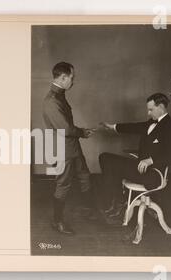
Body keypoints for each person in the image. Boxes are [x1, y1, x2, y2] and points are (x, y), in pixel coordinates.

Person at [99, 92, 171, 216]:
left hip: (154, 174)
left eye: (151, 110)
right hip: (141, 168)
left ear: (161, 107)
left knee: (112, 167)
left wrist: (151, 160)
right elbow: (134, 127)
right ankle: (119, 201)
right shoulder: (151, 123)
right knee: (105, 158)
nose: (148, 113)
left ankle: (118, 203)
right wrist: (113, 127)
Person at [42, 62, 96, 235]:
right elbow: (64, 128)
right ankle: (57, 222)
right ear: (63, 77)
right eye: (72, 78)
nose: (73, 81)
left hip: (72, 145)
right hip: (62, 148)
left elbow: (66, 126)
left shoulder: (59, 96)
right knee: (63, 184)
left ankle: (89, 210)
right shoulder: (51, 101)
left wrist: (80, 133)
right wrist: (83, 132)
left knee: (84, 175)